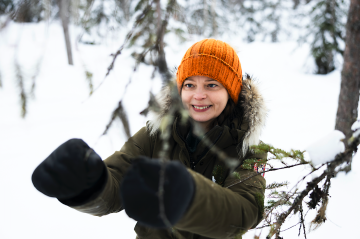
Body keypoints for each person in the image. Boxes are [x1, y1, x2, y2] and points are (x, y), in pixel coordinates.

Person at [32, 39, 267, 239]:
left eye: (212, 84)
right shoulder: (156, 134)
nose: (198, 95)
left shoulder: (249, 147)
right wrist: (88, 186)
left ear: (232, 91)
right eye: (189, 84)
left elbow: (246, 210)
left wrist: (187, 198)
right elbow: (116, 185)